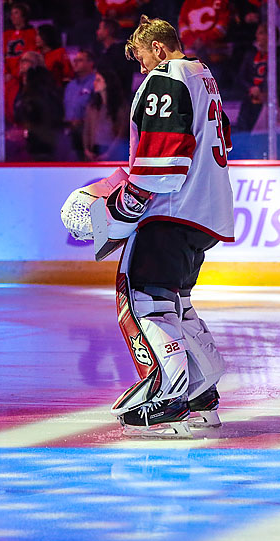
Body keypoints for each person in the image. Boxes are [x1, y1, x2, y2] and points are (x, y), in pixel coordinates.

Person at [73, 15, 233, 437]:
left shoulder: (168, 75)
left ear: (159, 49)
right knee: (176, 302)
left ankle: (168, 400)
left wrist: (122, 209)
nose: (143, 69)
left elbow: (163, 160)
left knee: (145, 301)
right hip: (203, 211)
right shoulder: (204, 76)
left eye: (142, 58)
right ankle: (202, 394)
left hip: (170, 210)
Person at [83, 69, 129, 161]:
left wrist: (109, 154)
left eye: (98, 80)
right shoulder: (92, 107)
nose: (94, 83)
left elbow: (121, 134)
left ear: (107, 83)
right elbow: (86, 130)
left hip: (113, 152)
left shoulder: (121, 107)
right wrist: (86, 150)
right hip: (94, 149)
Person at [64, 49, 97, 159]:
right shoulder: (70, 85)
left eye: (80, 60)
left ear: (90, 63)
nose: (75, 63)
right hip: (69, 133)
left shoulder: (96, 82)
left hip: (88, 132)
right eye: (75, 60)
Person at [4, 2, 38, 82]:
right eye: (11, 14)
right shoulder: (6, 35)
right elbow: (2, 55)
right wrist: (6, 72)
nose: (12, 17)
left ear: (24, 16)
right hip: (10, 78)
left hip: (26, 74)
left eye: (16, 13)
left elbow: (33, 54)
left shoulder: (32, 33)